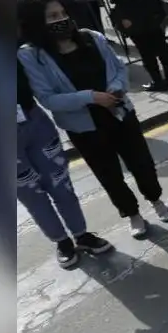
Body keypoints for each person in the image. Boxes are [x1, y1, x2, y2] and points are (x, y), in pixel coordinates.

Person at [18, 0, 168, 239]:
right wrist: (91, 97)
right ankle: (132, 214)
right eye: (52, 16)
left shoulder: (92, 37)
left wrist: (116, 88)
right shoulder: (31, 55)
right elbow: (48, 99)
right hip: (84, 126)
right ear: (36, 22)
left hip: (119, 113)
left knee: (142, 163)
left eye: (63, 13)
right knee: (109, 174)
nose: (61, 20)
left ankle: (156, 200)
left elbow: (118, 69)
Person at [18, 63, 113, 268]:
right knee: (31, 194)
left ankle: (81, 234)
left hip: (33, 119)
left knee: (60, 183)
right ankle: (62, 242)